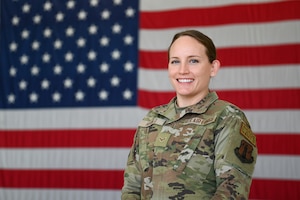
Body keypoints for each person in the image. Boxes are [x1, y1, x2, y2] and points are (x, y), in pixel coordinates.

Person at [121, 30, 257, 199]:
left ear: (213, 68)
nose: (183, 70)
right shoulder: (152, 120)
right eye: (175, 61)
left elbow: (231, 191)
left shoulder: (227, 118)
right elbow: (132, 188)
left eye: (193, 61)